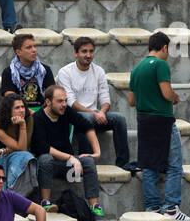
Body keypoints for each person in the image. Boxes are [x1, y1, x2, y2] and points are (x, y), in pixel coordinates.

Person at [129, 30, 190, 221]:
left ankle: (152, 207)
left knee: (148, 165)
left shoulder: (137, 68)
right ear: (164, 47)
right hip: (162, 119)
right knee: (174, 164)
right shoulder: (160, 65)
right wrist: (175, 98)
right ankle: (172, 208)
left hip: (144, 120)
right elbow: (167, 93)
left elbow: (132, 101)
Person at [57, 36, 138, 174]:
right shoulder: (65, 72)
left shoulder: (98, 71)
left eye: (91, 51)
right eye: (84, 51)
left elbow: (105, 99)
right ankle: (87, 163)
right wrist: (94, 114)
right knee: (85, 118)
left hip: (95, 115)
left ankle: (123, 163)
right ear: (75, 53)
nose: (88, 55)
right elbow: (71, 102)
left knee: (119, 119)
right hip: (72, 117)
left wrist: (102, 111)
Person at [31, 84, 102, 216]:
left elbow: (87, 126)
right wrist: (70, 158)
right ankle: (45, 203)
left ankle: (95, 207)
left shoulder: (66, 111)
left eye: (65, 100)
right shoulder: (37, 118)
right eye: (60, 101)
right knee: (45, 159)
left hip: (67, 167)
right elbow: (43, 147)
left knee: (88, 161)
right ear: (48, 102)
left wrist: (97, 152)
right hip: (47, 166)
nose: (64, 104)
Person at [0, 94, 35, 193]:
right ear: (8, 110)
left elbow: (23, 148)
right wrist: (22, 126)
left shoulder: (28, 119)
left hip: (18, 153)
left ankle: (16, 196)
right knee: (24, 157)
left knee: (26, 157)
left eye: (23, 107)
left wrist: (23, 124)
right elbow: (22, 148)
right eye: (17, 108)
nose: (22, 110)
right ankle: (11, 194)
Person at [0, 32, 54, 112]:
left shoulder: (44, 70)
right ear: (18, 52)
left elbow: (52, 95)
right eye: (29, 48)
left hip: (41, 109)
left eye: (34, 46)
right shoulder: (9, 72)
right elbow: (10, 100)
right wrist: (29, 112)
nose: (34, 50)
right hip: (19, 110)